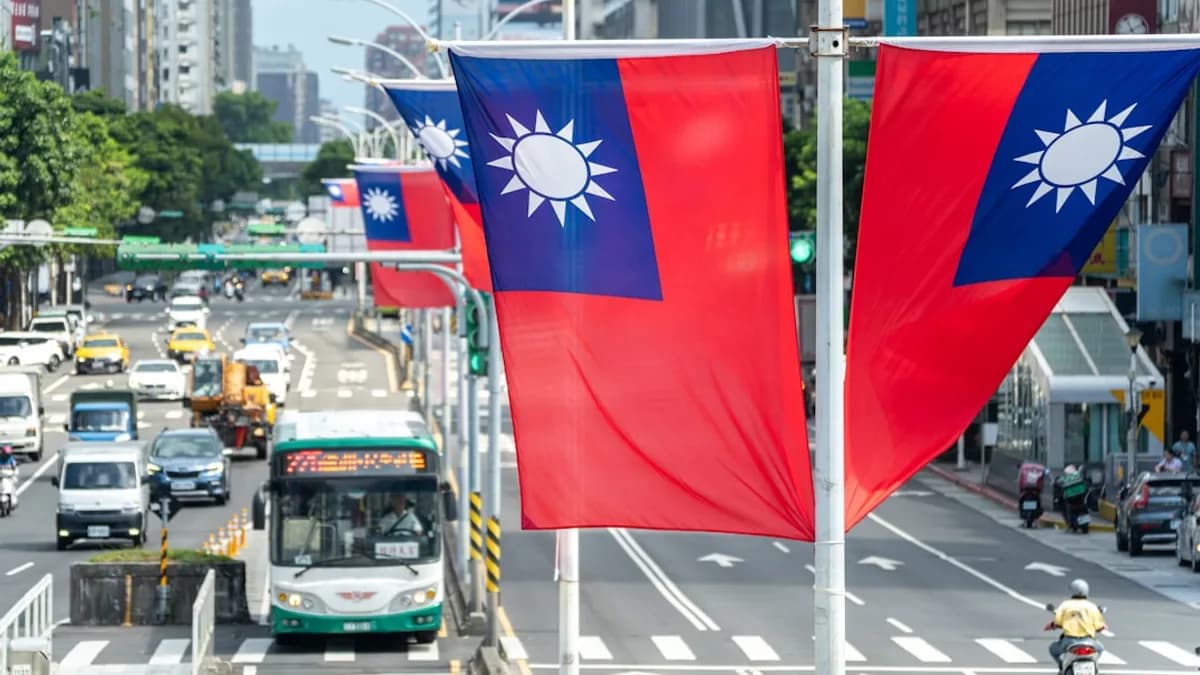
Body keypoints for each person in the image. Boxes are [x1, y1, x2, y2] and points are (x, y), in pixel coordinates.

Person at [1046, 579, 1106, 667]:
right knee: (1100, 649)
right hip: (1089, 641)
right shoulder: (1092, 606)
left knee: (1053, 649)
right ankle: (1094, 667)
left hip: (1069, 641)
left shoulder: (1065, 605)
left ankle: (1062, 666)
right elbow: (1099, 627)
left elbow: (1058, 623)